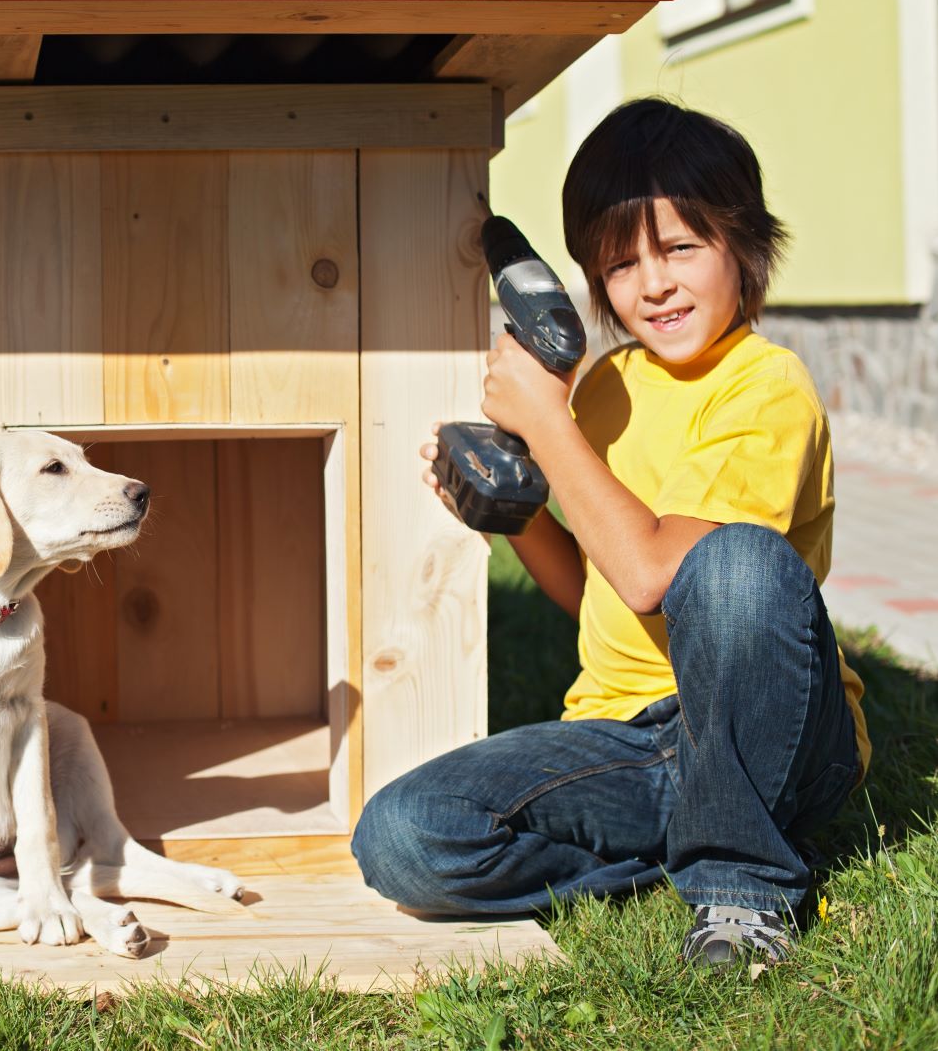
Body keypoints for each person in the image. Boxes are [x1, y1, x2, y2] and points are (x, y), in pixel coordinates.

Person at [351, 98, 869, 970]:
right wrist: (513, 517)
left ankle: (741, 891)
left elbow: (654, 577)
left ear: (743, 245)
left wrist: (545, 425)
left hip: (773, 731)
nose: (652, 284)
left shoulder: (765, 388)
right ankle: (689, 833)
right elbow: (594, 593)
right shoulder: (603, 389)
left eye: (679, 248)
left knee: (731, 562)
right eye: (620, 263)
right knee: (403, 837)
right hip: (630, 741)